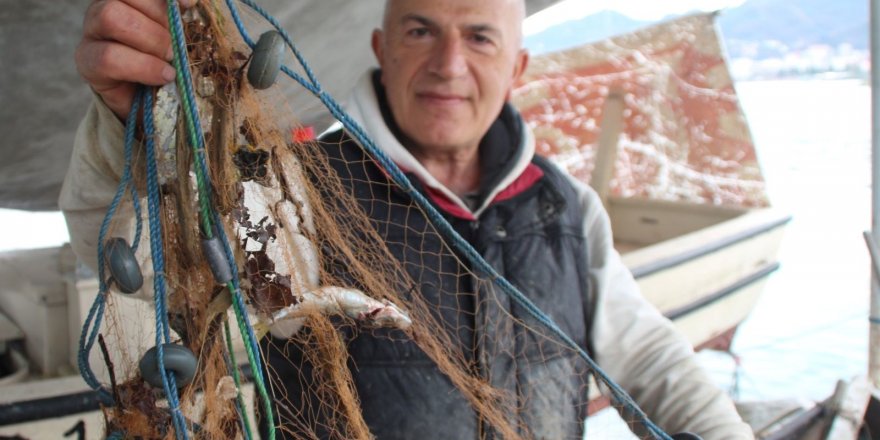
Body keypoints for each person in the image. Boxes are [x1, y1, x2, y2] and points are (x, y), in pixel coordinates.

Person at [62, 0, 755, 438]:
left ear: (516, 67)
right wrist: (129, 127)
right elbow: (142, 276)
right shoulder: (295, 188)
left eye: (479, 38)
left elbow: (645, 357)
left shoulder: (566, 208)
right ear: (380, 47)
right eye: (421, 30)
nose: (448, 65)